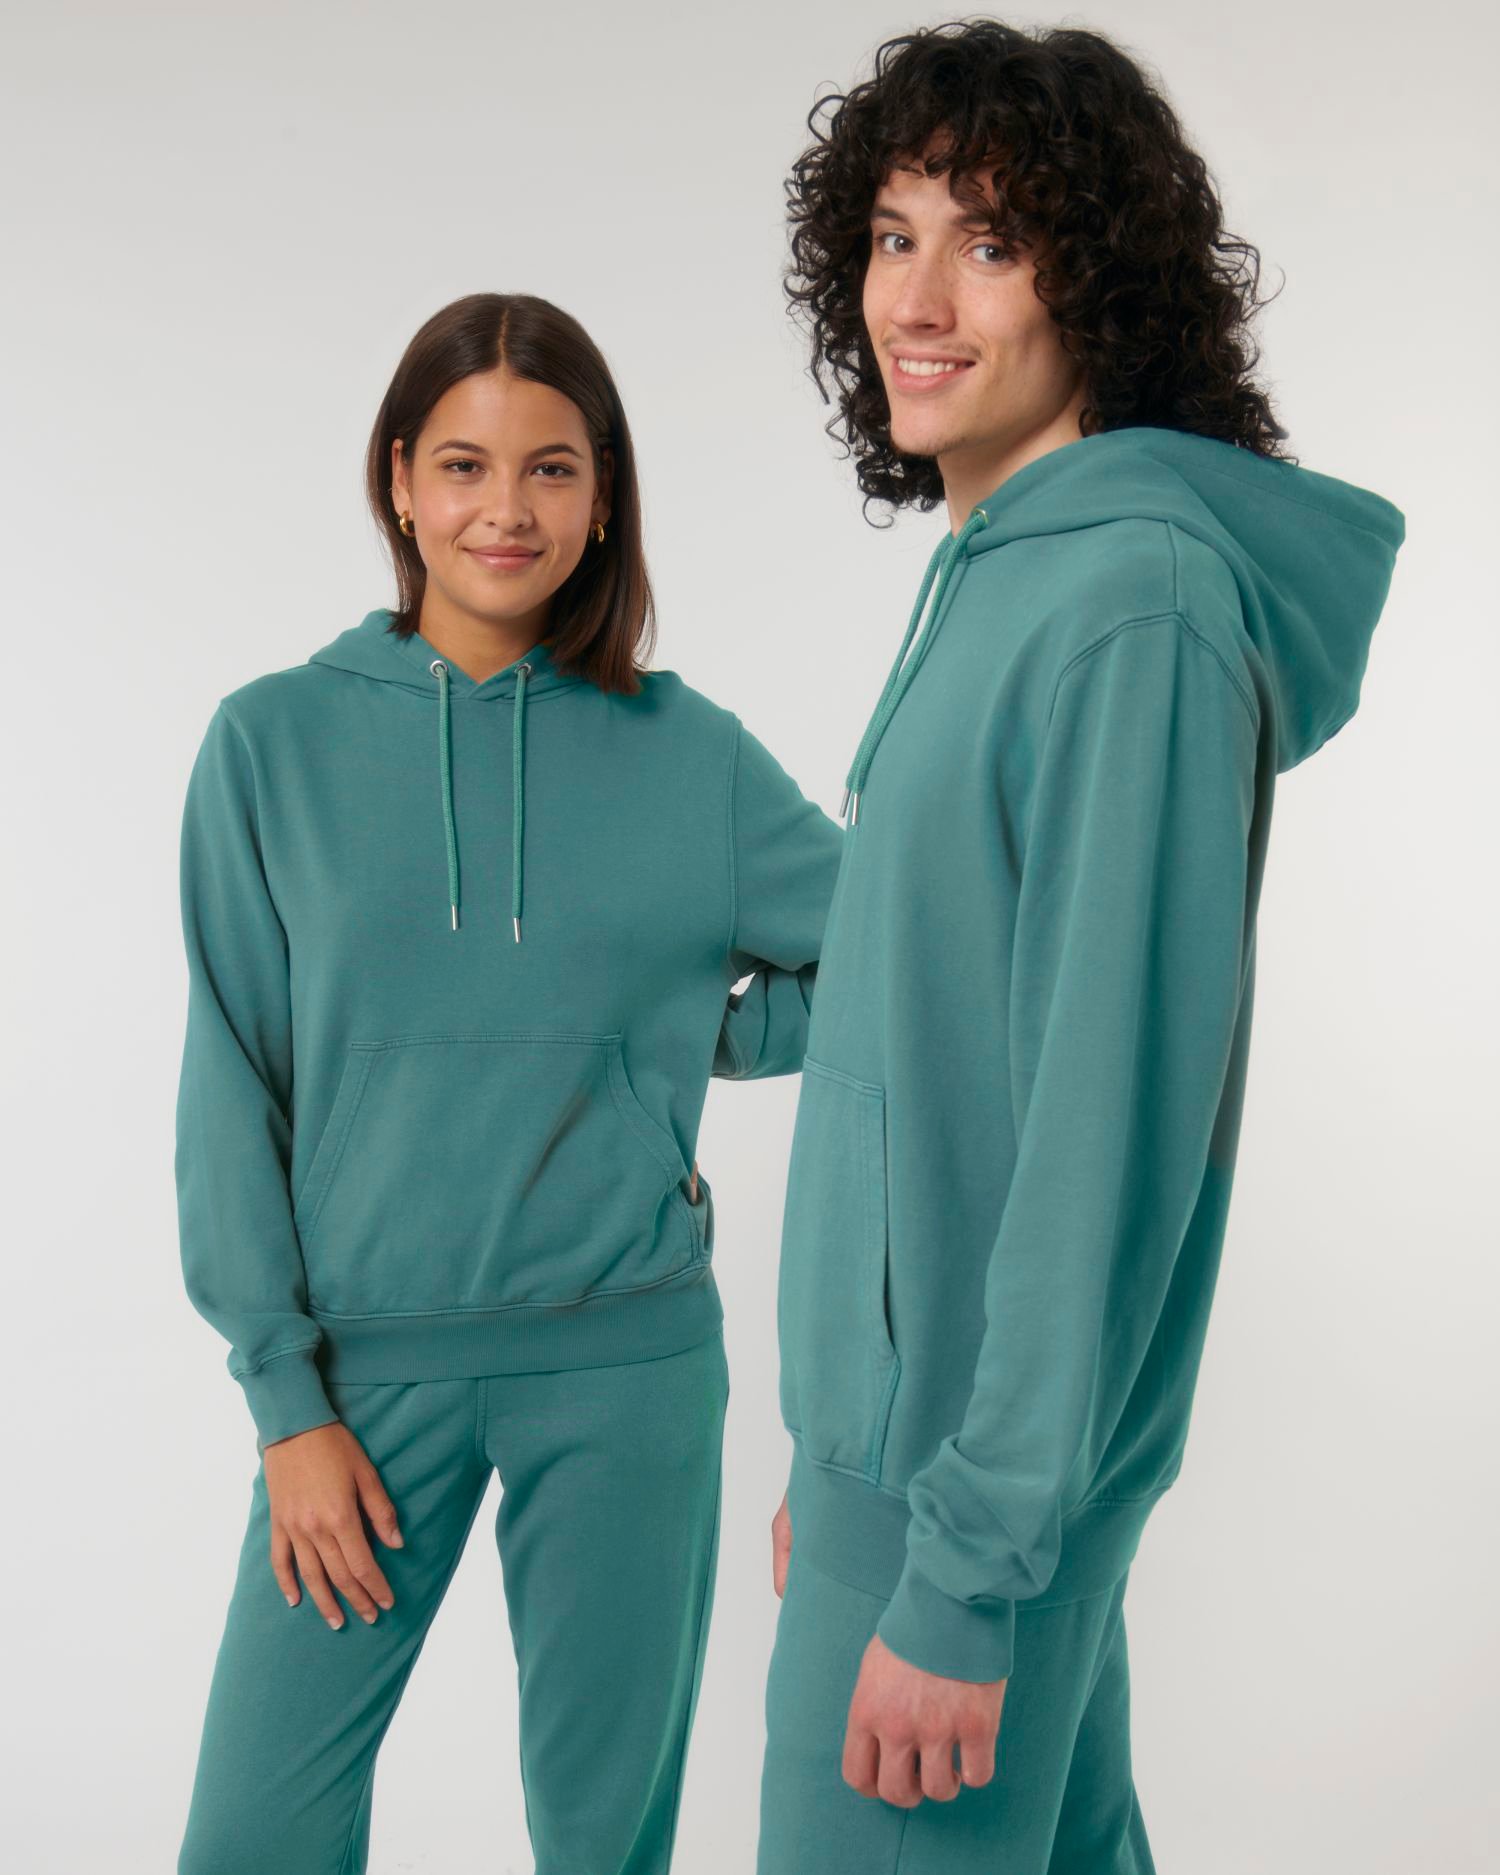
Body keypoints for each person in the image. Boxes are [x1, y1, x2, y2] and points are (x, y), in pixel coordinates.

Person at [757, 22, 1405, 1873]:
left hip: (967, 1511)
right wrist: (837, 1456)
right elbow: (922, 1021)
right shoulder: (1003, 571)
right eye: (893, 237)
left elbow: (1102, 1129)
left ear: (1099, 286)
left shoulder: (1136, 609)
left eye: (992, 241)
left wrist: (959, 1566)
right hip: (915, 1475)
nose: (918, 299)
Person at [172, 290, 842, 1875]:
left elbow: (887, 956)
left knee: (603, 1845)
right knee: (254, 1836)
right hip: (360, 1382)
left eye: (552, 468)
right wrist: (284, 1405)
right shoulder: (271, 745)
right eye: (465, 465)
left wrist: (691, 1040)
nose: (507, 510)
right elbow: (231, 1079)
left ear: (603, 497)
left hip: (626, 1367)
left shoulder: (691, 755)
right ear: (401, 481)